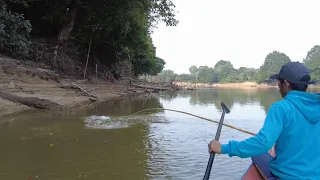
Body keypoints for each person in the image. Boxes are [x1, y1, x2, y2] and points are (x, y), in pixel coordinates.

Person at [208, 61, 320, 180]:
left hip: (287, 176)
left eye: (279, 81)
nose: (278, 86)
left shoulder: (281, 108)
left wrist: (223, 148)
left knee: (257, 154)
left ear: (286, 84)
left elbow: (262, 144)